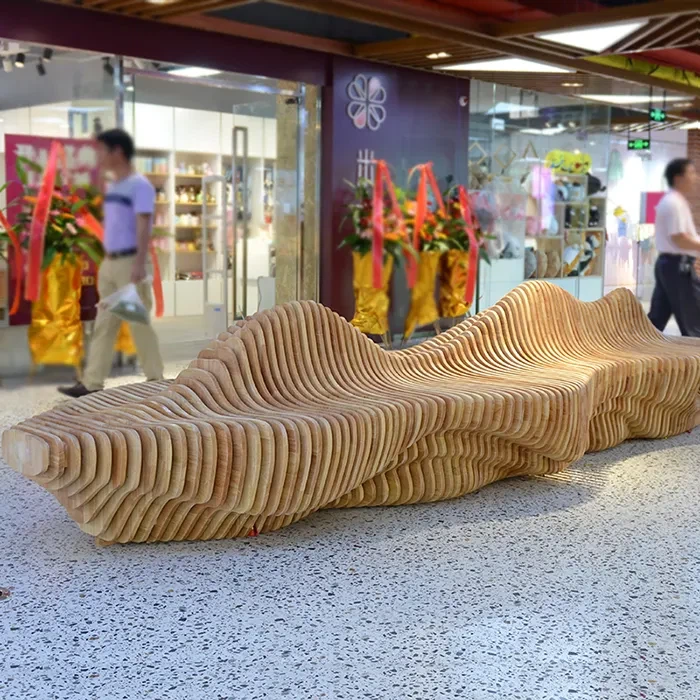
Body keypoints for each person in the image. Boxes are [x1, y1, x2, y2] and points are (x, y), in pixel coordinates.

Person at [59, 128, 164, 398]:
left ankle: (156, 380)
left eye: (103, 151)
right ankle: (92, 383)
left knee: (139, 324)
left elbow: (143, 225)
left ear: (118, 152)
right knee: (104, 323)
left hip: (130, 262)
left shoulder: (140, 186)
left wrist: (139, 263)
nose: (100, 157)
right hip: (110, 263)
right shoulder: (114, 186)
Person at [648, 157, 700, 337]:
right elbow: (679, 238)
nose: (695, 177)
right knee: (693, 321)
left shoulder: (674, 201)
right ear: (678, 178)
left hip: (670, 265)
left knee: (656, 319)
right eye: (691, 173)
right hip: (677, 266)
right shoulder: (674, 203)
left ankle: (637, 348)